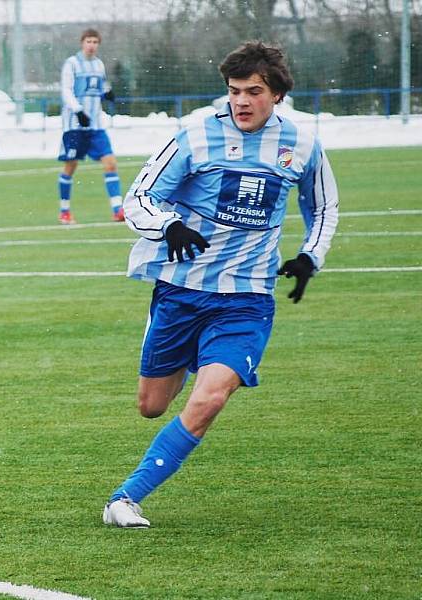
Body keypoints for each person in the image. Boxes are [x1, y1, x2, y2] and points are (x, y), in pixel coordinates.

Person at [103, 41, 339, 527]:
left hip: (247, 298)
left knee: (209, 399)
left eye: (254, 91)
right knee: (152, 406)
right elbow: (139, 197)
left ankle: (125, 498)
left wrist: (310, 257)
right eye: (234, 92)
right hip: (181, 291)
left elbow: (324, 206)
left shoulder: (303, 144)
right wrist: (168, 226)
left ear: (277, 95)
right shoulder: (193, 135)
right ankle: (196, 356)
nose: (242, 102)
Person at [57, 28, 122, 225]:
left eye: (95, 42)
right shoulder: (72, 63)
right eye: (89, 41)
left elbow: (100, 87)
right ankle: (64, 210)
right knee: (71, 166)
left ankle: (118, 210)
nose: (92, 45)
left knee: (110, 162)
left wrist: (107, 93)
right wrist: (77, 110)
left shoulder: (99, 64)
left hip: (95, 126)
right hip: (75, 125)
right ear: (82, 43)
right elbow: (66, 90)